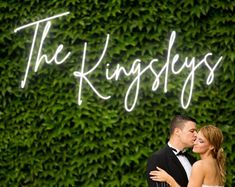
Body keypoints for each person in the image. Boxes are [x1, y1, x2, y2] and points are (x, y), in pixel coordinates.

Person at [150, 125, 226, 187]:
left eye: (201, 141)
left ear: (211, 146)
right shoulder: (216, 163)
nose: (195, 143)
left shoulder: (200, 165)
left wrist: (169, 179)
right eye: (196, 139)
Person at [146, 115, 197, 187]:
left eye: (196, 131)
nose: (196, 135)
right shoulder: (157, 159)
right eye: (192, 131)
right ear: (177, 132)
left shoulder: (193, 160)